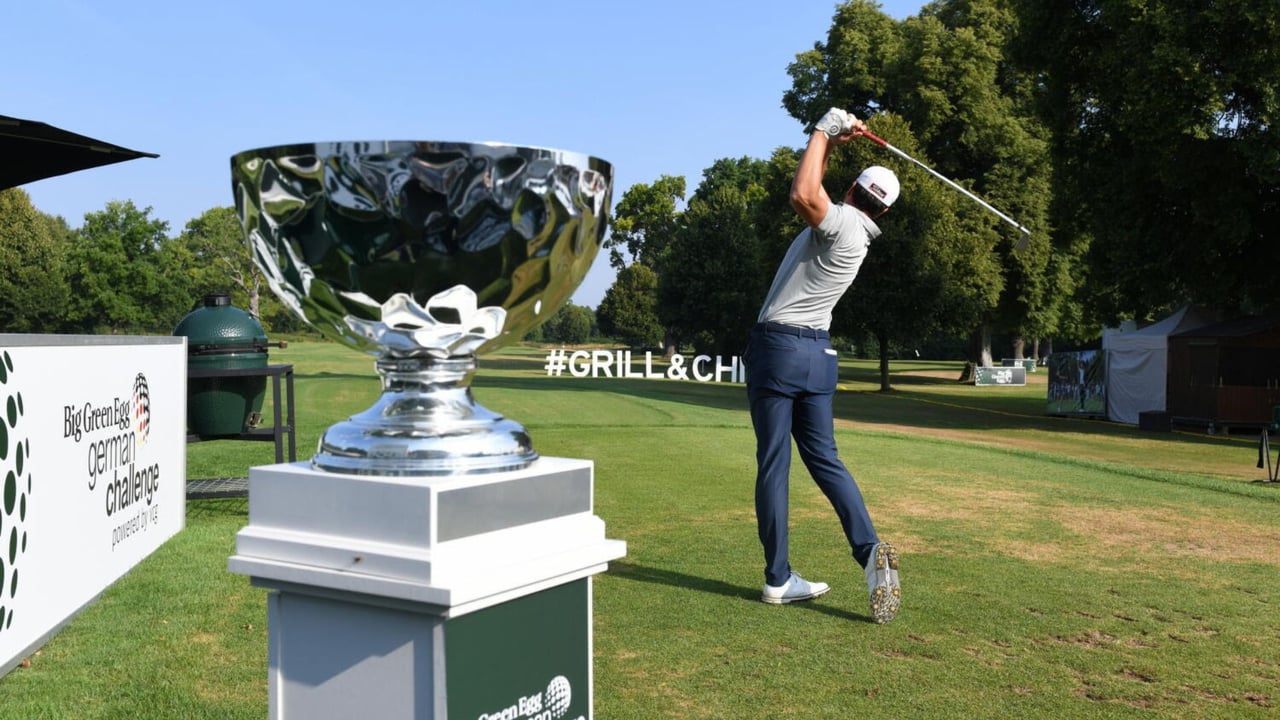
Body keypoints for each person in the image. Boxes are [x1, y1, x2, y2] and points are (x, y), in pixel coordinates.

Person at [744, 107, 901, 624]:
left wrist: (822, 129)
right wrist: (835, 140)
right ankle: (869, 552)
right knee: (826, 461)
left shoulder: (840, 224)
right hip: (817, 355)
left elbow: (804, 194)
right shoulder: (858, 232)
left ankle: (777, 579)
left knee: (774, 462)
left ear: (854, 192)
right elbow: (818, 186)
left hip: (779, 350)